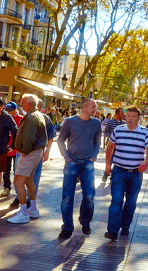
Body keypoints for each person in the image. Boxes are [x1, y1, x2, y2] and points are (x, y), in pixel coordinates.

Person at [104, 106, 148, 240]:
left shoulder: (145, 132)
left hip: (136, 173)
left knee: (131, 202)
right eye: (128, 116)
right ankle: (112, 230)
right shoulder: (118, 130)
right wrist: (108, 164)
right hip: (119, 170)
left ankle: (125, 226)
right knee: (117, 200)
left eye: (133, 116)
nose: (130, 119)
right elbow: (110, 147)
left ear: (138, 118)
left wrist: (146, 163)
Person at [56, 98, 102, 238]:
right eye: (93, 107)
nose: (95, 109)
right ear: (84, 107)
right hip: (72, 162)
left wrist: (93, 157)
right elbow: (60, 140)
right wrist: (66, 157)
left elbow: (97, 142)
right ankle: (67, 227)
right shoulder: (70, 121)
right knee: (67, 197)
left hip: (87, 163)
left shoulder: (96, 123)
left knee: (89, 196)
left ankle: (85, 222)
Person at [7, 94, 47, 224]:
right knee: (29, 180)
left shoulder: (31, 117)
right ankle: (33, 209)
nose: (21, 105)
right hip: (35, 152)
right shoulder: (37, 115)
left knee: (18, 181)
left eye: (23, 103)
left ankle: (24, 213)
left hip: (29, 153)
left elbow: (29, 136)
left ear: (29, 104)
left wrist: (24, 151)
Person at [1, 102, 21, 198]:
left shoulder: (21, 119)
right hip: (7, 149)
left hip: (17, 149)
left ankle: (18, 191)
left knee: (16, 171)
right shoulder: (4, 119)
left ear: (15, 110)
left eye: (11, 110)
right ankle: (6, 188)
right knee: (6, 170)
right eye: (7, 110)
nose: (9, 112)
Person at [101, 107, 125, 182]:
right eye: (122, 113)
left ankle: (113, 176)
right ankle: (106, 173)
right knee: (110, 160)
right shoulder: (111, 122)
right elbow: (105, 132)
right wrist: (111, 136)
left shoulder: (124, 123)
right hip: (111, 146)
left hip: (120, 147)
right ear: (117, 114)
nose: (123, 115)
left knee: (118, 162)